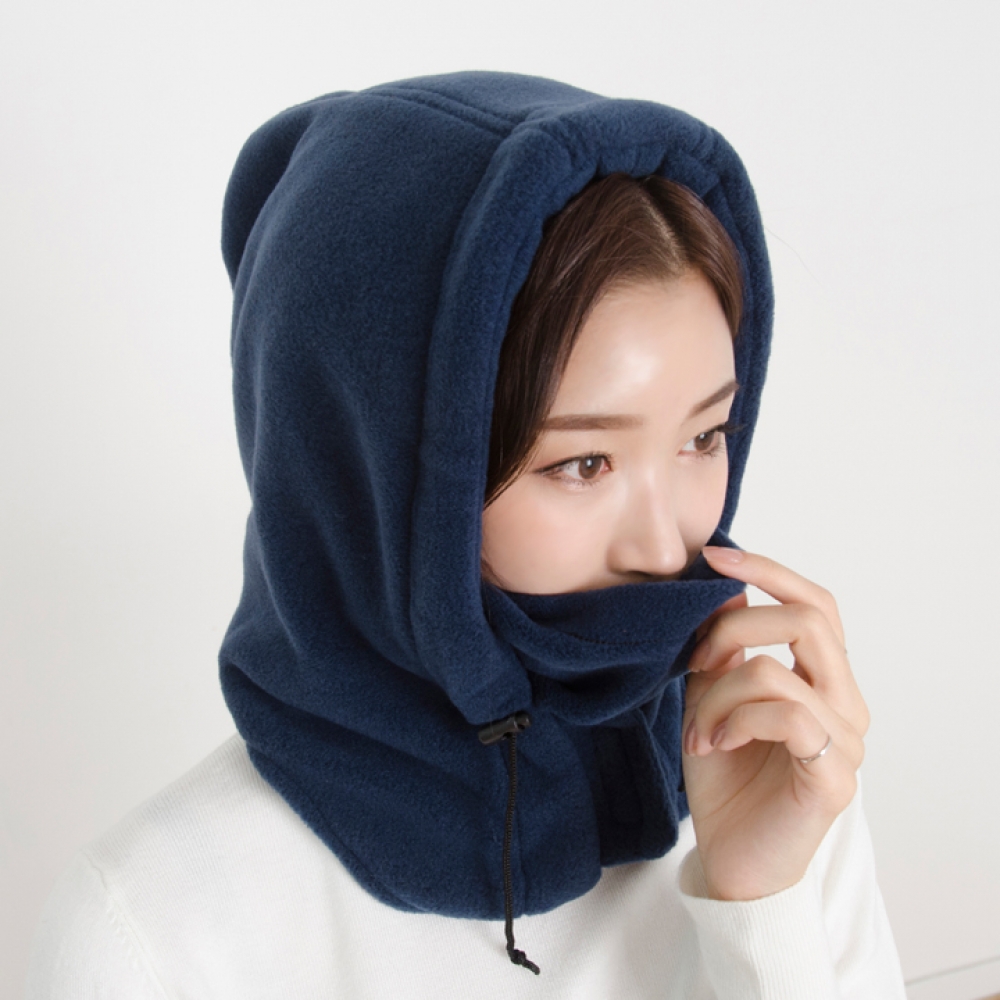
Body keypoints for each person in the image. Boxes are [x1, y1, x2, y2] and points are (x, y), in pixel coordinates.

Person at [25, 71, 907, 998]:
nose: (663, 548)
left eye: (704, 437)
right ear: (369, 470)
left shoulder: (778, 771)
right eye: (584, 463)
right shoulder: (152, 932)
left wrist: (763, 908)